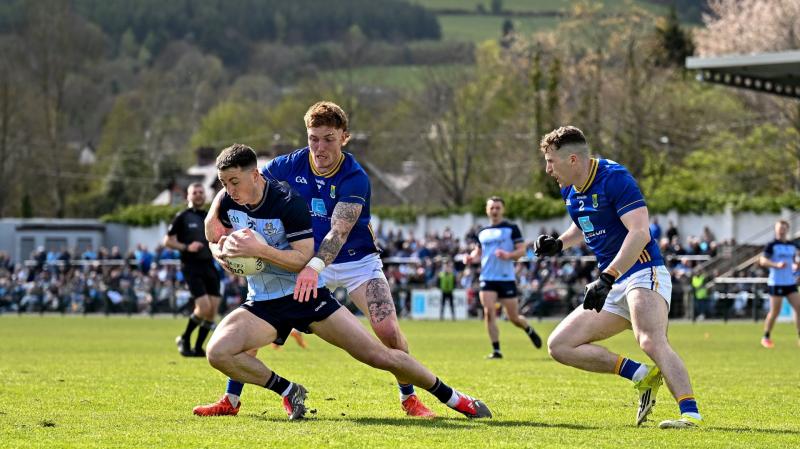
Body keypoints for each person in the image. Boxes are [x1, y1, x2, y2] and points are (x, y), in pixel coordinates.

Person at [193, 144, 491, 420]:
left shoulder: (288, 202)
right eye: (223, 184)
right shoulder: (228, 200)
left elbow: (302, 258)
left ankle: (454, 398)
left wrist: (258, 251)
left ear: (255, 175)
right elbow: (213, 236)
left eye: (234, 182)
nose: (229, 190)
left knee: (379, 355)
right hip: (262, 303)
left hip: (304, 295)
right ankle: (287, 391)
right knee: (218, 353)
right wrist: (223, 253)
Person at [534, 126, 702, 429]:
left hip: (642, 271)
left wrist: (607, 277)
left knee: (650, 340)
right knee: (560, 345)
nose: (547, 169)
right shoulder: (570, 188)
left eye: (551, 162)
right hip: (611, 281)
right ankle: (641, 375)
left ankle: (689, 414)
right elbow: (584, 225)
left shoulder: (615, 178)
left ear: (572, 159)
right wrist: (560, 243)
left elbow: (639, 232)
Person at [465, 196, 542, 359]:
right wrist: (471, 258)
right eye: (491, 208)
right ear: (487, 210)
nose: (494, 211)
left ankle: (528, 329)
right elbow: (478, 253)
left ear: (503, 210)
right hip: (487, 278)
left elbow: (522, 251)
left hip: (506, 278)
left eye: (497, 208)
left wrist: (508, 255)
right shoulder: (482, 232)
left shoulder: (511, 228)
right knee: (489, 312)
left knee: (513, 318)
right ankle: (497, 350)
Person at [164, 183, 221, 357]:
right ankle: (184, 338)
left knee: (212, 311)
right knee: (203, 307)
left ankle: (197, 347)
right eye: (194, 193)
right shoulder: (182, 216)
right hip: (191, 266)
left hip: (209, 265)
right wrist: (187, 247)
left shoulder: (208, 216)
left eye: (201, 192)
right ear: (188, 197)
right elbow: (168, 241)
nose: (198, 195)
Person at [758, 220, 800, 348]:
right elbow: (763, 261)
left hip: (790, 283)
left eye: (784, 228)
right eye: (779, 228)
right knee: (775, 312)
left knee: (799, 308)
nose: (781, 230)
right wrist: (776, 265)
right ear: (776, 230)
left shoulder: (793, 245)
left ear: (787, 230)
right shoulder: (771, 245)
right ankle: (766, 337)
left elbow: (795, 259)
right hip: (777, 283)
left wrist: (796, 265)